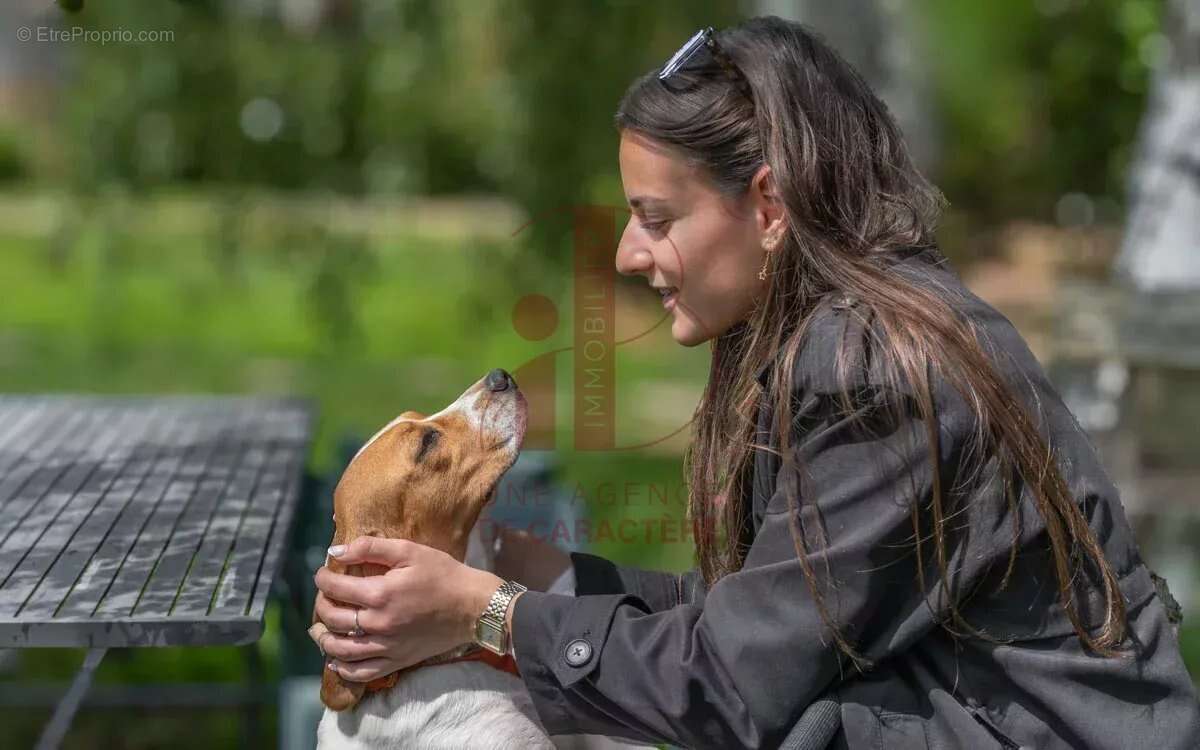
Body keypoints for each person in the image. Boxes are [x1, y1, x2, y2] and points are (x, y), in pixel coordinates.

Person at [308, 16, 1200, 749]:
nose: (626, 252)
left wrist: (485, 613)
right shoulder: (835, 331)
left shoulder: (872, 371)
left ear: (768, 207)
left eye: (656, 217)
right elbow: (751, 620)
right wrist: (509, 568)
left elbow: (732, 689)